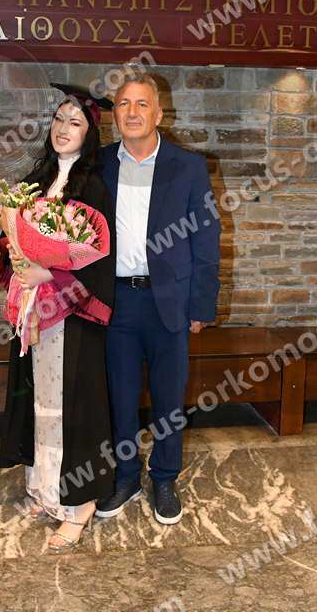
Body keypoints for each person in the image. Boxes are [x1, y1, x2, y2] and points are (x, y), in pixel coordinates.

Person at [96, 71, 221, 525]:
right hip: (116, 302)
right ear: (115, 114)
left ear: (159, 113)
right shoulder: (100, 164)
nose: (131, 112)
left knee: (169, 400)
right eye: (123, 104)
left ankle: (165, 478)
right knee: (120, 397)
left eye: (141, 104)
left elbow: (206, 240)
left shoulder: (187, 167)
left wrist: (201, 305)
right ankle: (126, 476)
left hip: (170, 302)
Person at [0, 83, 116, 551]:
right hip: (34, 310)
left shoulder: (95, 186)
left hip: (72, 312)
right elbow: (12, 237)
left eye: (75, 122)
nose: (63, 128)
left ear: (89, 133)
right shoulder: (35, 179)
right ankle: (46, 490)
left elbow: (99, 254)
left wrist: (49, 270)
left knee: (74, 405)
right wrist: (16, 253)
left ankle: (79, 504)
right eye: (59, 119)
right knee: (38, 400)